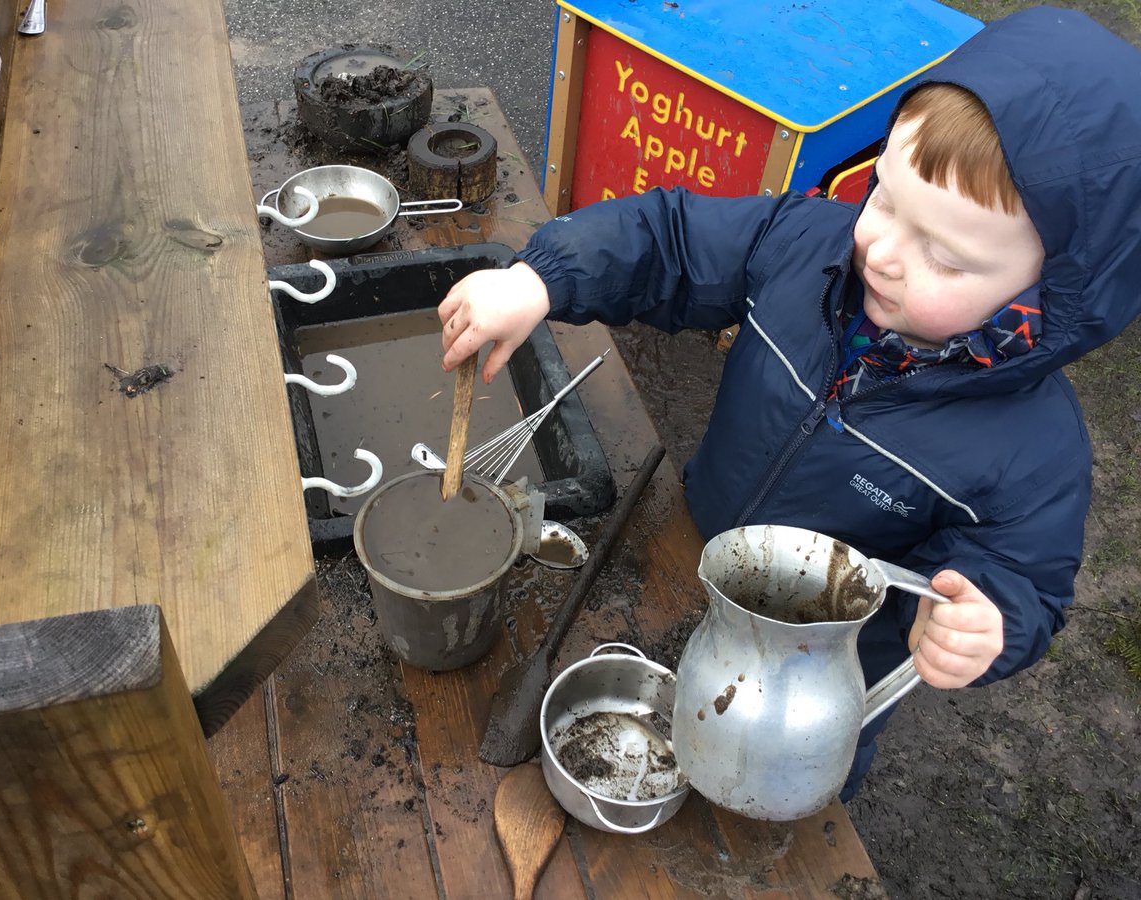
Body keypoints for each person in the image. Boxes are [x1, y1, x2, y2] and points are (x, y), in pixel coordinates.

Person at [437, 6, 1141, 798]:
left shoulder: (1034, 449)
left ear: (1049, 295)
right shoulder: (810, 244)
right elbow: (670, 240)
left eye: (943, 256)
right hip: (697, 543)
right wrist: (541, 279)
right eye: (886, 199)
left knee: (769, 806)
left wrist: (992, 621)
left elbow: (1025, 575)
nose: (882, 252)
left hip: (811, 682)